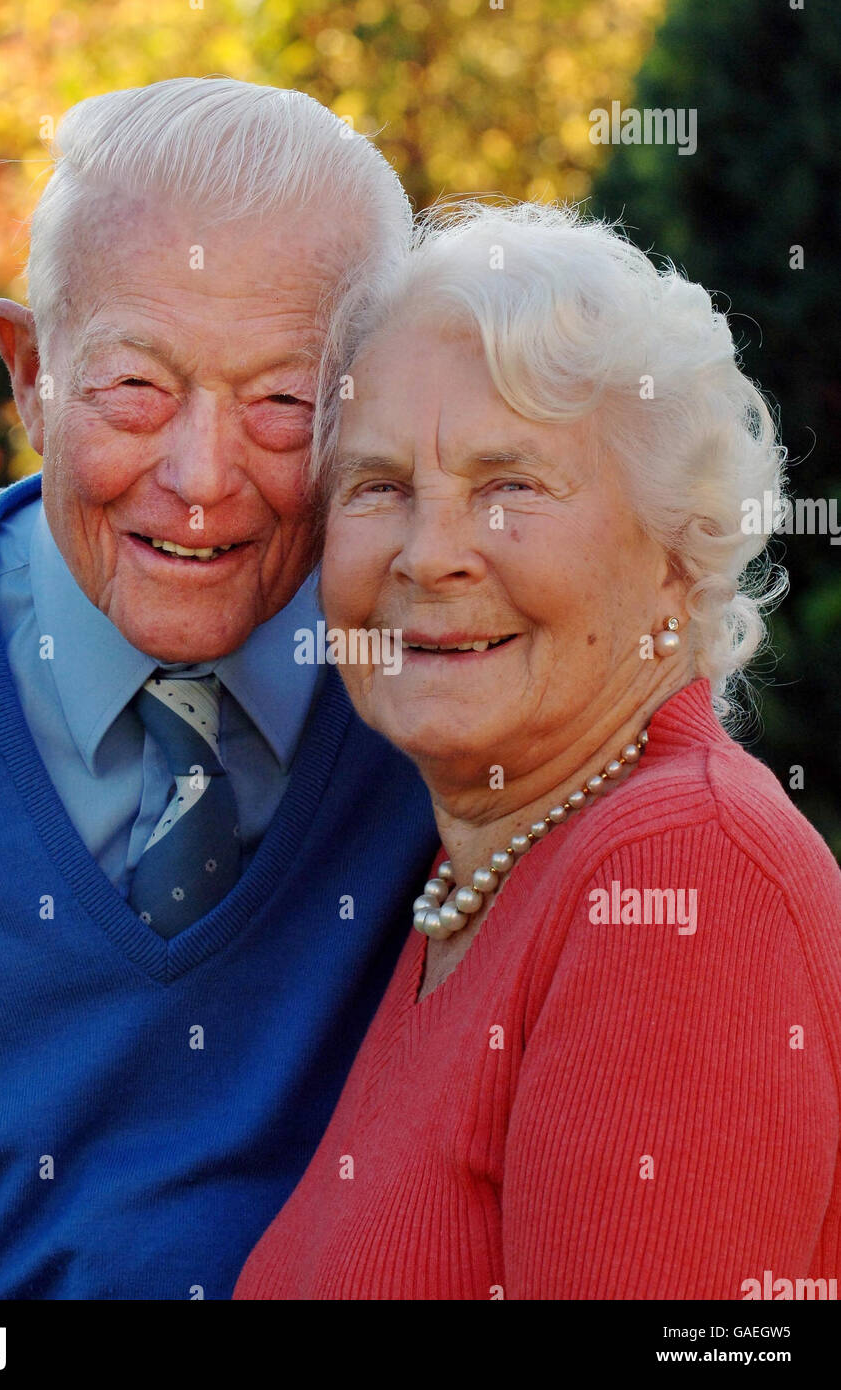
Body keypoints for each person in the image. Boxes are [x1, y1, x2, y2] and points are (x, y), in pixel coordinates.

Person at [0, 77, 438, 1300]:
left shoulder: (456, 685)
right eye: (135, 387)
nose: (200, 476)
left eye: (283, 401)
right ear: (29, 374)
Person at [234, 201, 841, 1300]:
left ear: (674, 550)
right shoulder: (484, 866)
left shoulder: (679, 880)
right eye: (377, 487)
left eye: (508, 486)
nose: (430, 553)